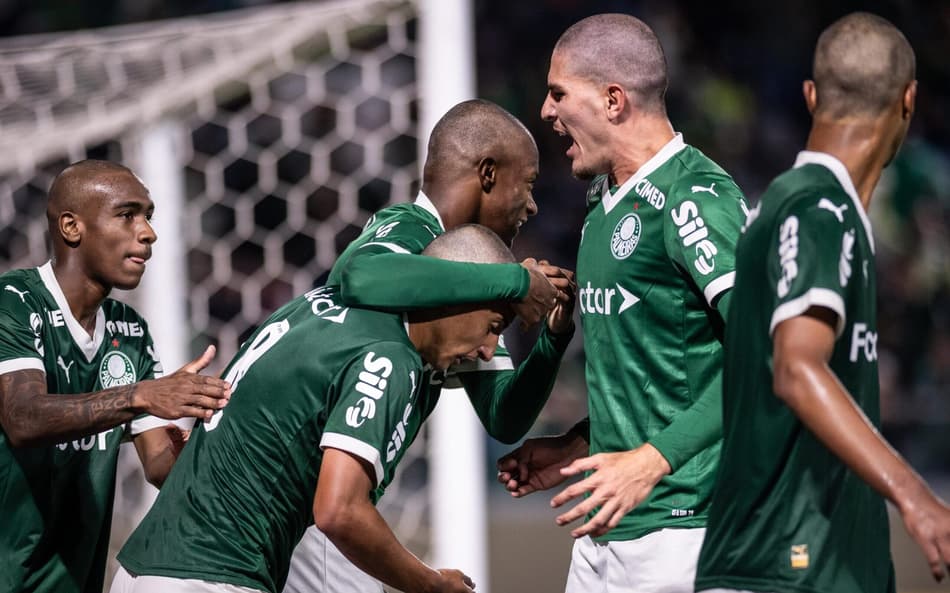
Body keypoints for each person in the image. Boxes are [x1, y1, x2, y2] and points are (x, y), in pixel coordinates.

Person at [113, 224, 534, 593]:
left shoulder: (317, 305)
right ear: (454, 293)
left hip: (143, 568)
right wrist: (429, 584)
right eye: (493, 328)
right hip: (214, 576)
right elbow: (339, 510)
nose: (487, 350)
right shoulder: (389, 358)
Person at [694, 13, 950, 593]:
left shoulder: (792, 207)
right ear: (909, 100)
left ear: (811, 96)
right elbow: (796, 367)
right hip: (784, 568)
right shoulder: (819, 210)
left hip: (810, 565)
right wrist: (915, 496)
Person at [496, 13, 748, 593]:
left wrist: (650, 460)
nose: (545, 112)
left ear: (613, 100)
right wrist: (583, 444)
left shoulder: (695, 197)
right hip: (604, 530)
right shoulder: (603, 199)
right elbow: (662, 373)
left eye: (559, 93)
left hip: (687, 531)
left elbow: (765, 355)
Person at [284, 98, 576, 593]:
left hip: (332, 504)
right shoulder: (408, 230)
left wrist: (552, 337)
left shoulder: (471, 276)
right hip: (306, 497)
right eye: (526, 185)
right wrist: (513, 281)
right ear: (487, 173)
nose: (533, 205)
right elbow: (359, 274)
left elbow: (505, 415)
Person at [0, 160, 232, 593]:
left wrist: (206, 444)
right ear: (72, 227)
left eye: (148, 217)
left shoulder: (130, 331)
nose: (148, 233)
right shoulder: (13, 302)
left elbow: (160, 466)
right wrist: (142, 395)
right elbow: (23, 418)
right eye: (127, 215)